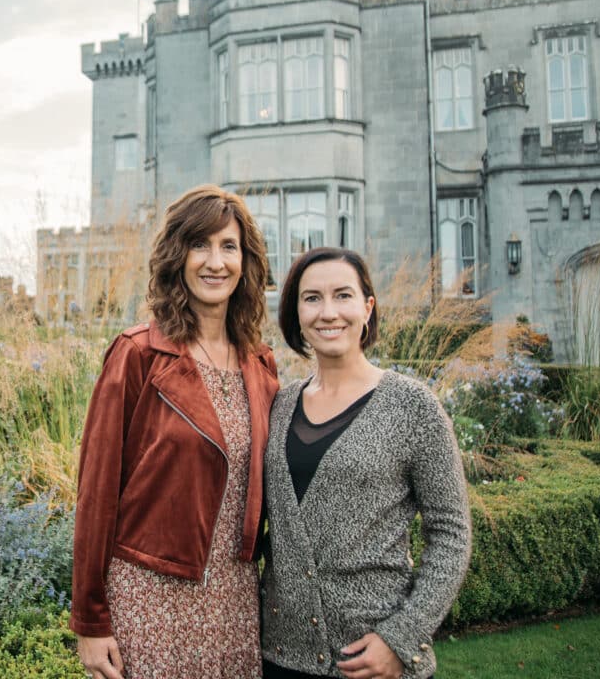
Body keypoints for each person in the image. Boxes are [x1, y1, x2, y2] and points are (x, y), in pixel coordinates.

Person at [72, 185, 280, 679]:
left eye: (229, 246)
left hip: (233, 598)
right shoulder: (138, 354)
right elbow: (95, 493)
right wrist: (90, 621)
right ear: (177, 256)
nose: (215, 261)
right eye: (200, 244)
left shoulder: (261, 363)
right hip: (150, 597)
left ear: (245, 261)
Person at [259, 247, 471, 679]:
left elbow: (451, 534)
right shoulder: (279, 406)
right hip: (282, 657)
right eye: (312, 298)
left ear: (367, 307)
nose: (328, 312)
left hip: (375, 664)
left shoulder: (413, 408)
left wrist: (402, 638)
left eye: (343, 295)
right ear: (296, 312)